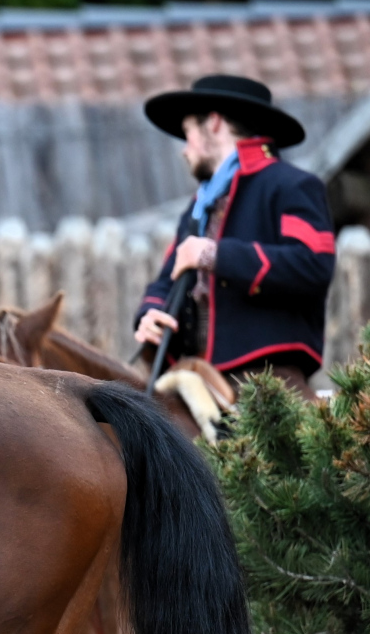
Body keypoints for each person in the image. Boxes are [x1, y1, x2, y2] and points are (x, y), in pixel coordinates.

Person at [133, 74, 334, 398]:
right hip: (193, 376)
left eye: (188, 133)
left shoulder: (292, 185)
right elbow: (166, 280)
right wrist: (150, 314)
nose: (185, 150)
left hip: (268, 380)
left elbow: (313, 264)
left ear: (213, 123)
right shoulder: (198, 207)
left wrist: (214, 255)